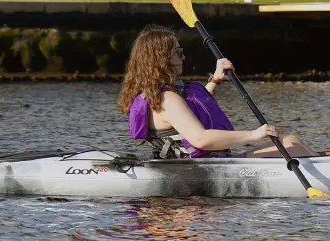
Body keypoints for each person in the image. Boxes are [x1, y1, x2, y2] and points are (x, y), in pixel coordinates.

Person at [116, 25, 317, 159]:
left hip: (213, 161)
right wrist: (253, 135)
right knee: (294, 149)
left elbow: (195, 108)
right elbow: (201, 139)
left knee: (291, 141)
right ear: (161, 59)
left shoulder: (166, 94)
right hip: (201, 169)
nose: (183, 58)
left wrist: (215, 80)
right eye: (179, 52)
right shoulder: (166, 99)